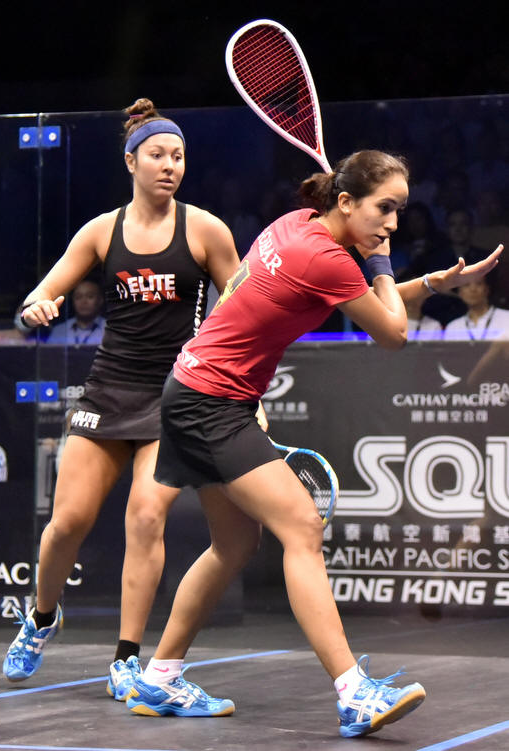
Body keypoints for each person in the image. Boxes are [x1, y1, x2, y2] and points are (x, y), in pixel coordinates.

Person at [123, 150, 504, 738]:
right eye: (384, 209)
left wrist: (432, 283)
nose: (392, 224)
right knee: (302, 525)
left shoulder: (297, 226)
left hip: (194, 389)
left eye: (400, 212)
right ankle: (354, 693)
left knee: (234, 543)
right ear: (346, 202)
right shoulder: (328, 258)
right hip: (211, 402)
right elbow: (392, 332)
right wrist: (381, 262)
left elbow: (354, 297)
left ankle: (160, 677)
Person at [1, 98, 263, 698]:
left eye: (179, 156)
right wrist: (34, 310)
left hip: (174, 398)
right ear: (131, 161)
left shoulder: (206, 230)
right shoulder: (100, 231)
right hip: (107, 392)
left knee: (146, 517)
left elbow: (246, 311)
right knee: (66, 524)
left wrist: (245, 387)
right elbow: (36, 299)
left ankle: (126, 658)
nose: (170, 166)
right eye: (158, 155)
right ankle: (42, 617)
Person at [444, 275, 509, 340]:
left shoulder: (506, 318)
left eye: (479, 284)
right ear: (459, 292)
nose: (473, 289)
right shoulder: (453, 327)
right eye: (466, 285)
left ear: (487, 289)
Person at [46, 278, 106, 345]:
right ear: (72, 301)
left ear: (100, 300)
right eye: (78, 297)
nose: (83, 301)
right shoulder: (59, 330)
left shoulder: (109, 329)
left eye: (90, 296)